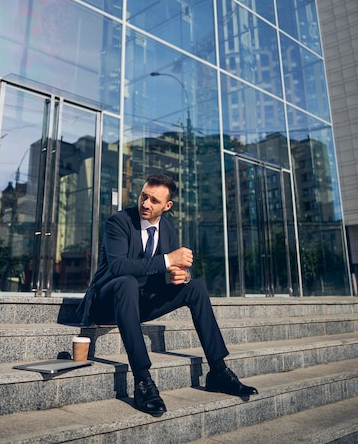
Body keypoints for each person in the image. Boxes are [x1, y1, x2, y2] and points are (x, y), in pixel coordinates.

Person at [77, 173, 258, 417]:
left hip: (140, 304)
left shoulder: (167, 229)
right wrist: (167, 260)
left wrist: (180, 276)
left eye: (153, 200)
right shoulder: (118, 222)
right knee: (127, 282)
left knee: (196, 287)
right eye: (143, 196)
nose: (145, 204)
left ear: (167, 206)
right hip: (105, 302)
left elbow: (168, 268)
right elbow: (118, 267)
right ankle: (143, 381)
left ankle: (218, 371)